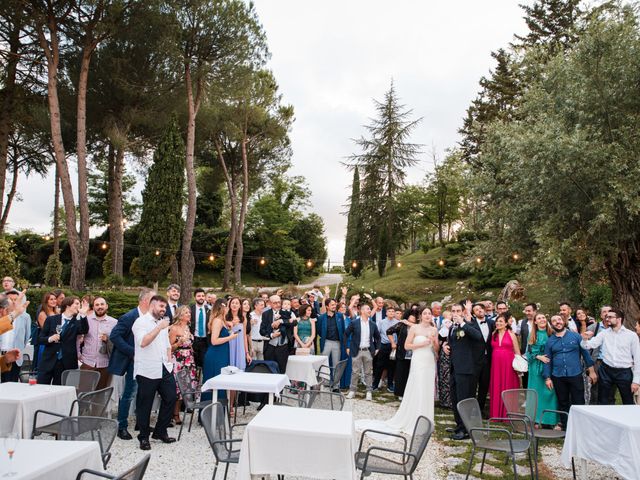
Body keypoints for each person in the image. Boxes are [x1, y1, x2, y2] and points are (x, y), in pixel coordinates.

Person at [109, 288, 156, 441]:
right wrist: (132, 352)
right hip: (132, 361)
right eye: (153, 300)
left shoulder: (151, 318)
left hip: (148, 361)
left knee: (144, 393)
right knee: (129, 393)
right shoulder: (129, 317)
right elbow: (115, 336)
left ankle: (141, 423)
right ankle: (121, 426)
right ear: (144, 301)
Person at [132, 295, 177, 450]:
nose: (163, 310)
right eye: (161, 307)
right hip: (147, 369)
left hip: (164, 367)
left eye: (165, 307)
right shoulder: (141, 322)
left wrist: (170, 360)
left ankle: (160, 430)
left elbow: (167, 344)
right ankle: (143, 437)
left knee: (171, 397)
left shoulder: (162, 323)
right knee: (145, 404)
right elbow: (143, 342)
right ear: (152, 306)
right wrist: (159, 327)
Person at [387, 307, 438, 430]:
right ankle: (415, 417)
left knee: (427, 387)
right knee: (418, 385)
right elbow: (406, 346)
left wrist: (434, 342)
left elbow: (436, 350)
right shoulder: (415, 328)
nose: (427, 315)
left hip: (429, 361)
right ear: (420, 316)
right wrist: (421, 344)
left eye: (429, 313)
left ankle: (426, 418)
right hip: (418, 360)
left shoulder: (434, 329)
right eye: (424, 313)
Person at [543, 315, 596, 429]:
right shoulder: (550, 341)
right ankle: (567, 428)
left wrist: (591, 371)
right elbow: (547, 360)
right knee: (563, 402)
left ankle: (581, 428)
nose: (557, 322)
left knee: (579, 402)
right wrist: (547, 377)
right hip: (558, 375)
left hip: (575, 374)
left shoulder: (576, 336)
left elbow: (585, 354)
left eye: (559, 320)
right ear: (551, 325)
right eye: (554, 321)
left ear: (564, 322)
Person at [580, 309, 640, 405]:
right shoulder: (604, 333)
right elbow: (588, 345)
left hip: (624, 372)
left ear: (619, 319)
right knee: (603, 401)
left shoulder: (631, 336)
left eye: (610, 317)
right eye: (606, 317)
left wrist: (636, 381)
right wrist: (584, 339)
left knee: (628, 402)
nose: (607, 319)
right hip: (606, 371)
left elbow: (638, 359)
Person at [444, 300, 485, 440]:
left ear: (463, 312)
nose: (455, 314)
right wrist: (445, 345)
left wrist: (463, 322)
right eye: (453, 311)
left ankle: (466, 429)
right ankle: (459, 426)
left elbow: (478, 337)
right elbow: (453, 343)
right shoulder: (452, 327)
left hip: (467, 369)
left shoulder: (469, 324)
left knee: (464, 399)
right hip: (455, 368)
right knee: (455, 399)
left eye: (458, 311)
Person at [38, 296, 90, 385]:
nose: (79, 306)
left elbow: (84, 330)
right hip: (49, 359)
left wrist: (83, 315)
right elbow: (40, 339)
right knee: (41, 386)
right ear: (68, 305)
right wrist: (50, 338)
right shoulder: (52, 319)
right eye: (77, 304)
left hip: (65, 362)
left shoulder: (76, 322)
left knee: (58, 389)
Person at [526, 313, 559, 426]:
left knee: (550, 392)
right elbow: (528, 352)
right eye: (539, 318)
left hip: (550, 365)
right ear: (535, 321)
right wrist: (538, 356)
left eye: (544, 317)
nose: (542, 320)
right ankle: (536, 419)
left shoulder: (552, 333)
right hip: (535, 367)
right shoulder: (532, 335)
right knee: (537, 393)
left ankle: (551, 420)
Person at [78, 297, 117, 390]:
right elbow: (77, 336)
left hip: (105, 364)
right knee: (83, 392)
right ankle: (83, 405)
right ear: (94, 307)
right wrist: (78, 354)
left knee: (100, 394)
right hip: (88, 362)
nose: (100, 307)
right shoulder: (86, 319)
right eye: (97, 305)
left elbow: (117, 342)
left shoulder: (114, 322)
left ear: (106, 306)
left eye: (102, 304)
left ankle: (97, 405)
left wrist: (108, 339)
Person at [344, 302, 380, 401]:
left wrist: (377, 348)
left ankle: (369, 391)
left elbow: (378, 337)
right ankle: (352, 391)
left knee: (368, 372)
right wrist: (347, 347)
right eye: (368, 309)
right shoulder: (354, 322)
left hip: (368, 351)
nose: (370, 310)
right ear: (362, 311)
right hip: (356, 350)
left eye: (370, 309)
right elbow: (346, 334)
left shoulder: (372, 324)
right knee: (355, 372)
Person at [202, 299, 236, 402]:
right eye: (226, 306)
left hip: (222, 354)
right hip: (216, 356)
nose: (228, 309)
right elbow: (214, 341)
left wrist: (229, 330)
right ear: (221, 308)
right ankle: (210, 414)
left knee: (222, 382)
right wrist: (231, 337)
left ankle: (219, 414)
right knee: (216, 382)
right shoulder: (217, 321)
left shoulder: (222, 321)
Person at [489, 312, 521, 419]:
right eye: (497, 321)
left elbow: (517, 352)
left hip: (508, 365)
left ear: (506, 323)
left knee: (508, 386)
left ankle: (508, 414)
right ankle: (496, 413)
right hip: (496, 365)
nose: (498, 323)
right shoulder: (493, 334)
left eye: (501, 321)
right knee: (497, 385)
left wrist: (519, 367)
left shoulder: (511, 334)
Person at [170, 305, 196, 424]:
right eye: (186, 313)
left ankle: (178, 412)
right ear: (180, 315)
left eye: (189, 313)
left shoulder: (188, 327)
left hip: (189, 360)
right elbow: (169, 348)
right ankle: (173, 414)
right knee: (176, 388)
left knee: (185, 387)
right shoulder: (174, 328)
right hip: (178, 360)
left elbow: (190, 343)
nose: (189, 314)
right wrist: (179, 342)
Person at [1, 289, 31, 382]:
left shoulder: (25, 317)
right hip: (3, 353)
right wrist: (15, 313)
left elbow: (27, 336)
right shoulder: (4, 317)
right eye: (11, 299)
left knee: (12, 384)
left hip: (13, 356)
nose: (13, 302)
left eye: (16, 299)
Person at [227, 297, 251, 413]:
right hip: (228, 347)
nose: (235, 305)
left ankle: (231, 404)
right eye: (233, 303)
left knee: (235, 377)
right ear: (229, 305)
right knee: (226, 375)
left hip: (239, 348)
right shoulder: (225, 317)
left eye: (237, 303)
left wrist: (247, 352)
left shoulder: (243, 318)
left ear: (240, 306)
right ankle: (223, 402)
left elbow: (244, 337)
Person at [260, 295, 294, 374]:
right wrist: (272, 335)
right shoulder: (266, 314)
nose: (278, 304)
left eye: (279, 302)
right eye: (275, 303)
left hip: (283, 347)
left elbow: (294, 323)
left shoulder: (286, 311)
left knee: (282, 371)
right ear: (270, 304)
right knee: (269, 370)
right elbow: (262, 331)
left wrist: (281, 321)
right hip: (270, 347)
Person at [387, 312, 416, 399]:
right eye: (409, 320)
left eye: (413, 321)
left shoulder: (418, 327)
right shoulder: (401, 325)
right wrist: (393, 342)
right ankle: (400, 393)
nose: (410, 322)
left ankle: (411, 393)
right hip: (402, 353)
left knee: (411, 374)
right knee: (400, 374)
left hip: (414, 354)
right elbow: (389, 331)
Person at [472, 302, 495, 413]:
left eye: (481, 308)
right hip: (474, 360)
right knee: (472, 384)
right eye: (476, 309)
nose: (479, 310)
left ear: (484, 310)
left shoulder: (492, 323)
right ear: (474, 313)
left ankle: (480, 409)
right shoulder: (470, 324)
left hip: (488, 359)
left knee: (484, 385)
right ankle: (471, 409)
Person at [586, 305, 611, 404]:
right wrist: (589, 366)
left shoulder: (617, 329)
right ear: (601, 315)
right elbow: (586, 348)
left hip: (611, 363)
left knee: (610, 391)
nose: (607, 313)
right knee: (595, 389)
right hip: (597, 362)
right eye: (604, 312)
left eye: (609, 311)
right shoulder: (593, 327)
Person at [372, 305, 398, 392]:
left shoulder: (398, 322)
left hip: (393, 346)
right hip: (384, 345)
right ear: (386, 313)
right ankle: (375, 385)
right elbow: (377, 334)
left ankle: (390, 385)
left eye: (392, 312)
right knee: (379, 365)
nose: (391, 313)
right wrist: (378, 346)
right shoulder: (381, 322)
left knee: (391, 366)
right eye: (389, 311)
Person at [317, 296, 346, 372]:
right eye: (332, 305)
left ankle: (336, 383)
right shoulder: (321, 318)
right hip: (326, 342)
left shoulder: (339, 316)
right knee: (323, 363)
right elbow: (319, 331)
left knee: (336, 364)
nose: (334, 306)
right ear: (327, 306)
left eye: (335, 304)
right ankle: (324, 382)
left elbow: (343, 329)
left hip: (337, 342)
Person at [34, 291, 58, 371]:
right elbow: (46, 330)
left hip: (56, 344)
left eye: (55, 299)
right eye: (51, 299)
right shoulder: (42, 314)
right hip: (46, 344)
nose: (54, 301)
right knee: (44, 369)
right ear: (46, 301)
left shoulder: (56, 312)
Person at [516, 303, 538, 388]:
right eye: (526, 311)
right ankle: (527, 399)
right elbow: (515, 334)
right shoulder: (521, 322)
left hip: (538, 357)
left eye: (529, 311)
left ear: (535, 311)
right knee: (526, 381)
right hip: (525, 357)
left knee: (537, 380)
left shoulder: (541, 321)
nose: (527, 313)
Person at [189, 288, 210, 370]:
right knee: (193, 362)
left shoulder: (209, 309)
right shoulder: (190, 309)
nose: (201, 297)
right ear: (195, 298)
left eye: (202, 296)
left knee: (204, 362)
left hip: (205, 340)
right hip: (194, 339)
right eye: (198, 296)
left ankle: (202, 380)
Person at [437, 310, 453, 408]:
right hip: (444, 355)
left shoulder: (454, 325)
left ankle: (451, 400)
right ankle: (445, 401)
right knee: (444, 377)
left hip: (453, 354)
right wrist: (442, 344)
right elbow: (439, 340)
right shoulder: (442, 329)